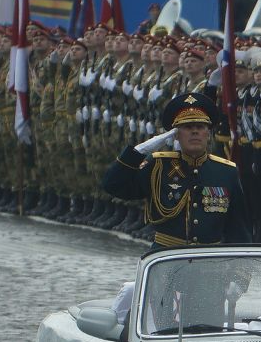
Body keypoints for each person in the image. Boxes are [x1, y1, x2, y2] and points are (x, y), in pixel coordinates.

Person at [100, 89, 249, 249]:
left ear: (208, 133)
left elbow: (238, 227)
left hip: (209, 259)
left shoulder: (226, 171)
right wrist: (137, 153)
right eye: (187, 127)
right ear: (176, 135)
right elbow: (113, 186)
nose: (194, 131)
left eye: (200, 126)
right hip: (167, 254)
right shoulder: (158, 166)